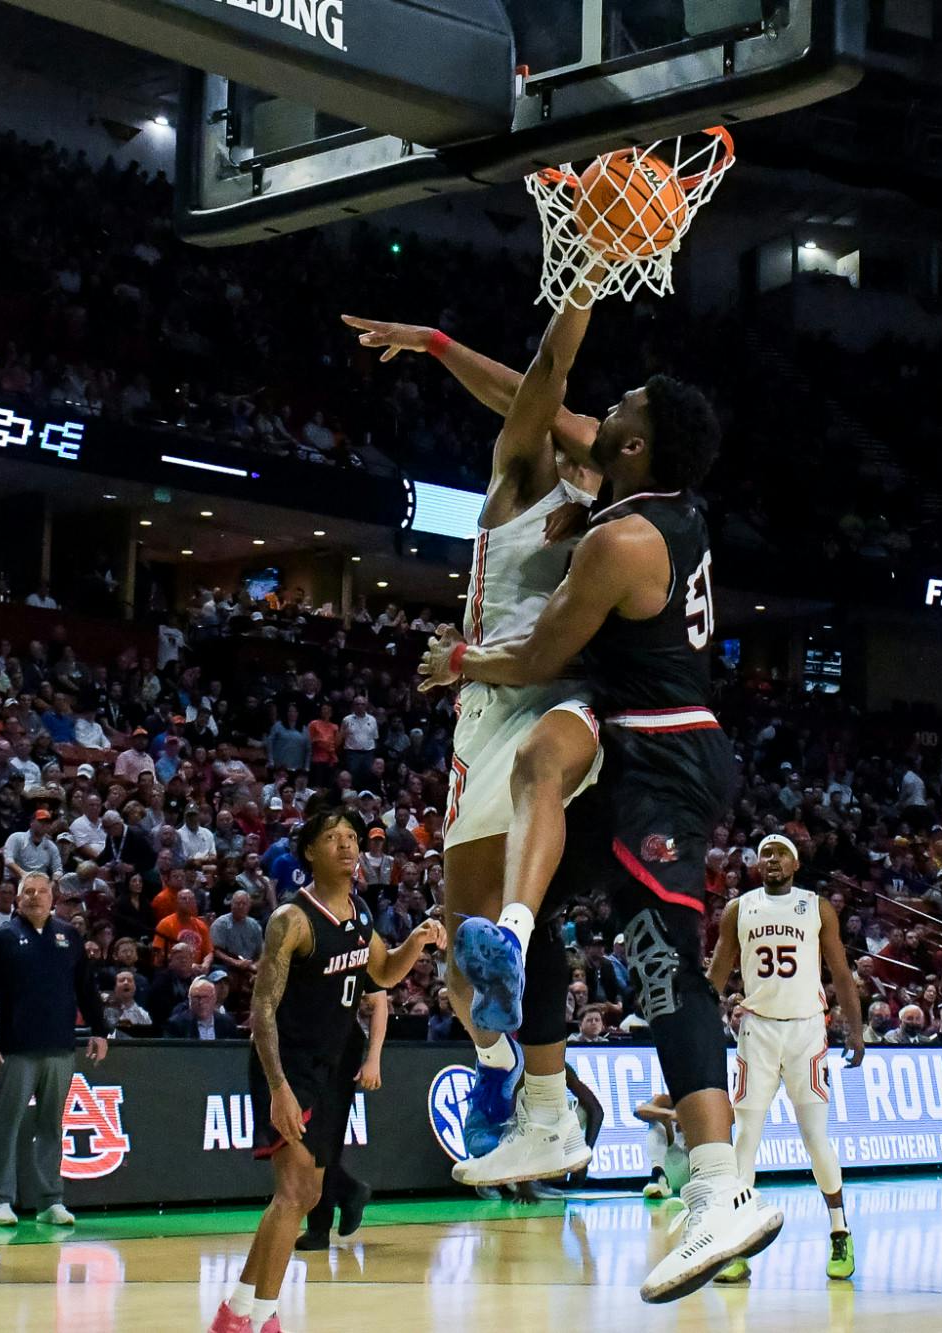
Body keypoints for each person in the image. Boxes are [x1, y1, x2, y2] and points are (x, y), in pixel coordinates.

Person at [421, 332, 780, 1301]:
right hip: (632, 748)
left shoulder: (624, 538)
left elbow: (537, 657)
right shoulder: (653, 496)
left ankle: (718, 1188)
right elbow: (535, 399)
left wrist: (459, 664)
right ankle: (547, 1109)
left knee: (659, 958)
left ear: (632, 447)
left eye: (616, 409)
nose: (597, 411)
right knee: (511, 901)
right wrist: (439, 345)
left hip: (662, 754)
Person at [343, 308, 603, 1160]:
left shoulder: (620, 520)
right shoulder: (524, 478)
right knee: (462, 943)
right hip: (485, 710)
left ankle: (546, 1075)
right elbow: (545, 370)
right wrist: (581, 284)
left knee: (549, 785)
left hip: (564, 703)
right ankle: (496, 1059)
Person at [210, 803, 444, 1333]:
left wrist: (417, 942)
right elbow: (262, 1009)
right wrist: (278, 1087)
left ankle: (236, 1312)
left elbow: (381, 973)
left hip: (333, 1065)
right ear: (310, 851)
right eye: (334, 838)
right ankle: (261, 1318)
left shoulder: (359, 914)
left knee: (310, 1194)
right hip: (289, 1066)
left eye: (352, 838)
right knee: (293, 1194)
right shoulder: (292, 919)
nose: (347, 846)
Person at [706, 834, 864, 1284]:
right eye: (765, 853)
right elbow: (716, 976)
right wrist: (697, 1022)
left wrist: (855, 1029)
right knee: (746, 1137)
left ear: (795, 864)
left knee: (816, 1137)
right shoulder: (740, 909)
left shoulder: (816, 907)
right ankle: (738, 1241)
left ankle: (839, 1230)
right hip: (757, 1029)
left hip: (807, 1030)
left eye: (780, 853)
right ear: (757, 864)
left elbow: (839, 971)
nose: (771, 859)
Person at [0, 872, 111, 1229]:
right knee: (7, 1124)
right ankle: (0, 1199)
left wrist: (99, 1030)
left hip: (60, 1047)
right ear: (17, 899)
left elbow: (86, 987)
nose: (35, 897)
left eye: (42, 892)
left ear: (54, 898)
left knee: (52, 1125)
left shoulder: (69, 935)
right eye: (27, 892)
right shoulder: (3, 937)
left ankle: (51, 1200)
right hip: (16, 1048)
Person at [295, 990, 388, 1251]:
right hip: (301, 1041)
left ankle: (319, 1228)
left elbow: (379, 999)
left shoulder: (360, 948)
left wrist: (374, 1057)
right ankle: (349, 1190)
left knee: (325, 1137)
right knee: (304, 1136)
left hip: (340, 1045)